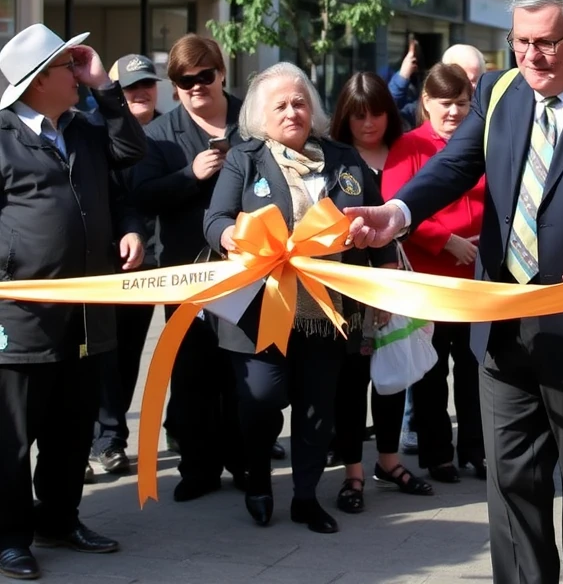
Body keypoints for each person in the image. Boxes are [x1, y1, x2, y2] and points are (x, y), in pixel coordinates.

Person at [344, 0, 563, 584]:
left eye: (547, 42)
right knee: (512, 493)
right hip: (505, 333)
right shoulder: (501, 92)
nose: (531, 55)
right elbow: (453, 165)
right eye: (520, 41)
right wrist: (395, 214)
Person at [204, 62, 398, 534]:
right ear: (259, 114)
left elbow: (378, 224)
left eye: (300, 103)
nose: (292, 112)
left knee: (318, 407)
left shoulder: (343, 157)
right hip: (259, 308)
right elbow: (213, 220)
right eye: (281, 105)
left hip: (326, 310)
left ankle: (307, 498)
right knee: (262, 398)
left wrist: (386, 268)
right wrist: (234, 235)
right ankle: (257, 482)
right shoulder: (244, 158)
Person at [0, 25, 147, 581]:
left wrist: (104, 88)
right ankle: (10, 537)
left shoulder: (85, 129)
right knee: (13, 436)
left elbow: (130, 154)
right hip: (23, 315)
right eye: (68, 65)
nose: (78, 70)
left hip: (88, 310)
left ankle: (59, 518)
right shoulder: (3, 134)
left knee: (73, 426)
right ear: (38, 81)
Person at [132, 35, 245, 502]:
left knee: (245, 371)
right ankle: (198, 469)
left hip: (247, 268)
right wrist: (188, 176)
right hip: (186, 272)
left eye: (204, 75)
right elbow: (141, 195)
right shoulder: (159, 134)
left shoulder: (250, 119)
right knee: (193, 373)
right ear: (174, 85)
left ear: (220, 72)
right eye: (185, 80)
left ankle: (246, 462)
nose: (197, 86)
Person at [328, 72, 432, 513]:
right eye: (358, 115)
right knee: (349, 384)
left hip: (395, 281)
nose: (368, 123)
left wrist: (389, 283)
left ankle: (388, 461)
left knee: (392, 378)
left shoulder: (408, 150)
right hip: (347, 287)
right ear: (343, 118)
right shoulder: (332, 157)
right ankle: (353, 470)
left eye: (376, 113)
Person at [382, 63, 487, 485]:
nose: (454, 113)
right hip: (429, 278)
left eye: (462, 104)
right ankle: (437, 454)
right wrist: (446, 240)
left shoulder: (484, 143)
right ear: (425, 102)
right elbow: (396, 206)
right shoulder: (408, 147)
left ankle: (476, 451)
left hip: (477, 279)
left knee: (475, 368)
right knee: (429, 372)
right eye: (445, 104)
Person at [91, 54, 163, 478]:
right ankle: (100, 438)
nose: (140, 92)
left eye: (147, 84)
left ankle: (111, 438)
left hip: (152, 267)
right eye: (129, 86)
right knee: (99, 356)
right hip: (102, 267)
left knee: (129, 354)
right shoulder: (96, 130)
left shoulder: (172, 133)